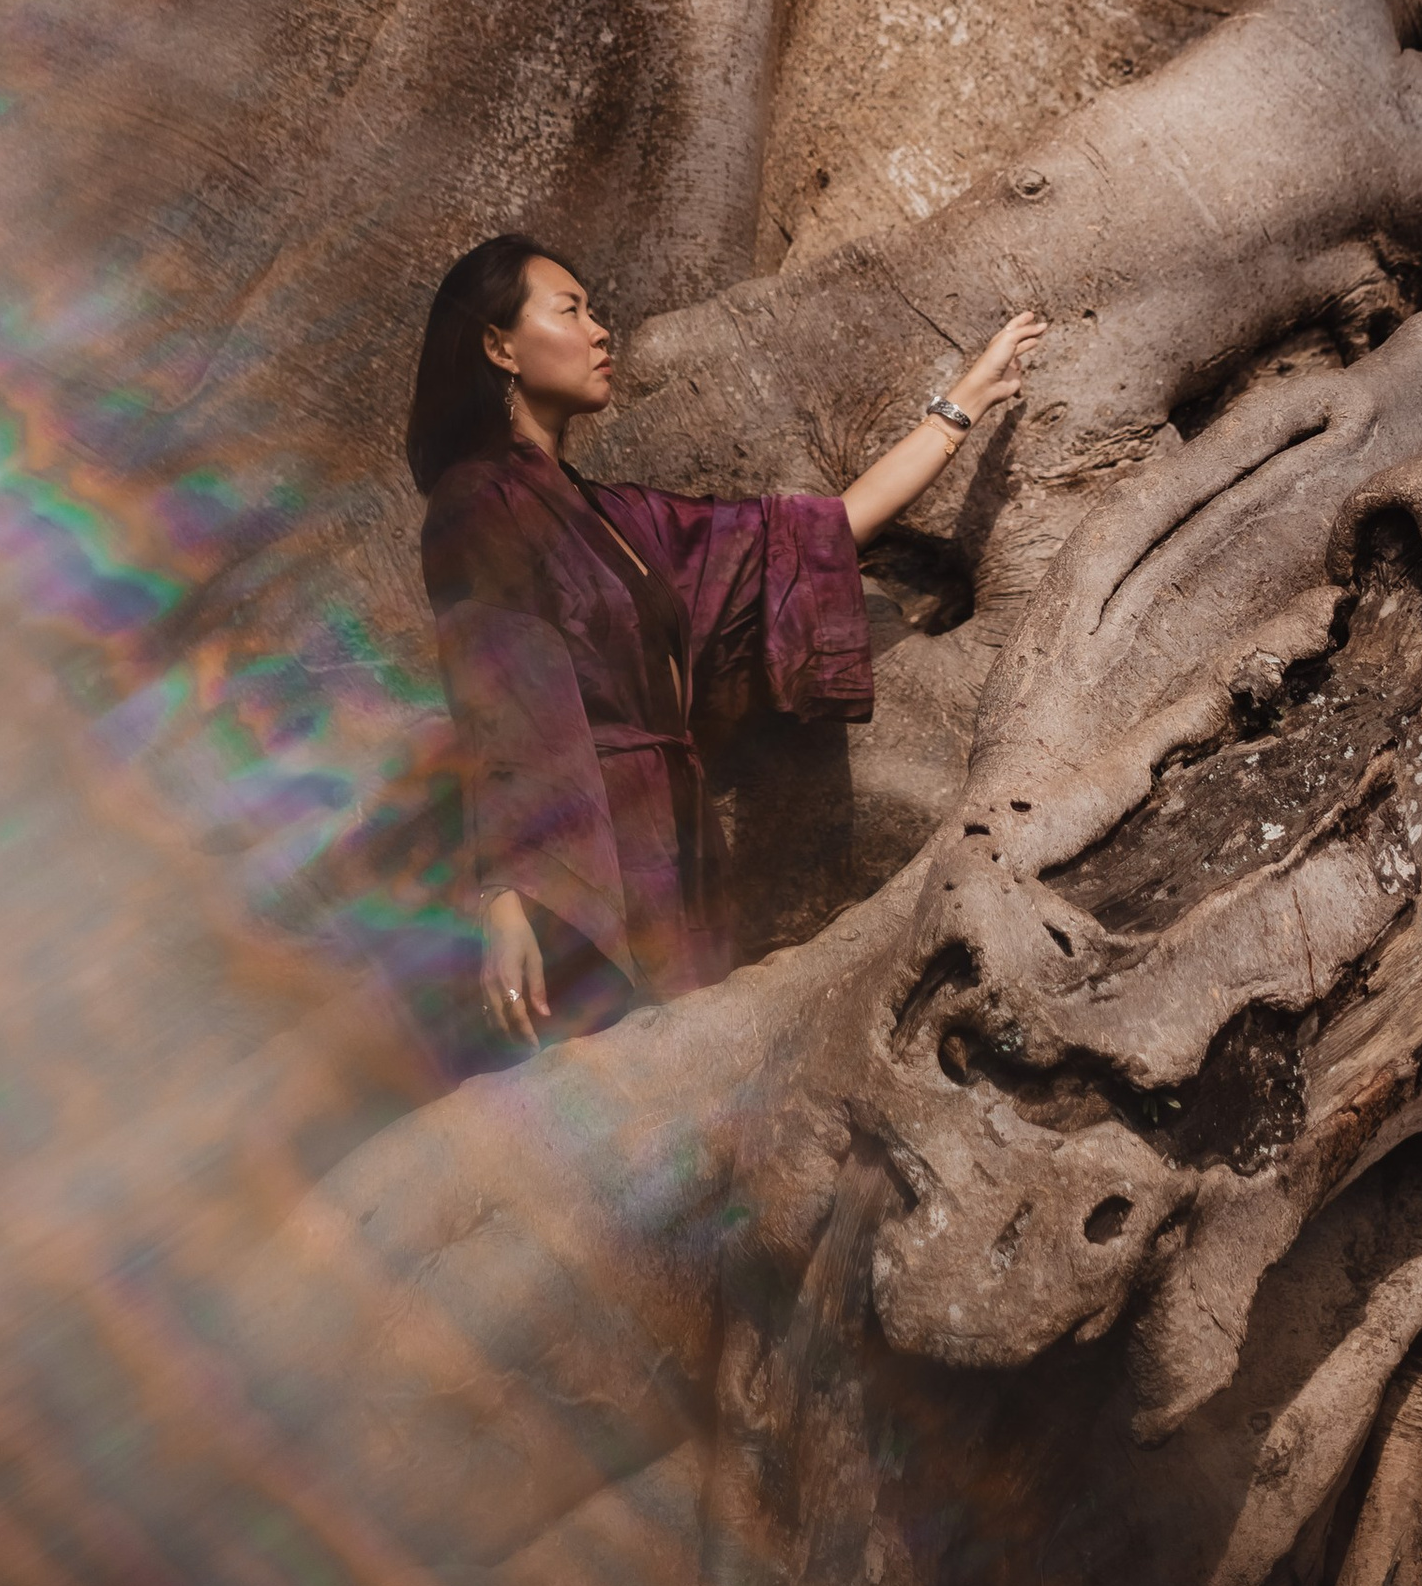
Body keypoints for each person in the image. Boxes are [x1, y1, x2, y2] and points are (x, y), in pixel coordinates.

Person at [411, 233, 1046, 1054]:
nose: (601, 330)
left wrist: (962, 403)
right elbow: (497, 710)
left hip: (681, 842)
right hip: (582, 856)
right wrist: (502, 895)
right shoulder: (478, 501)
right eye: (571, 310)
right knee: (612, 1084)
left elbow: (814, 533)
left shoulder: (620, 518)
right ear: (500, 346)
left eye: (594, 311)